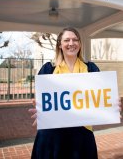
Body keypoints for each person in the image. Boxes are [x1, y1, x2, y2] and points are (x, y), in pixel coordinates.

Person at [29, 27, 100, 159]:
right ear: (60, 45)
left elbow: (100, 98)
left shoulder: (91, 69)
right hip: (53, 135)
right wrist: (39, 108)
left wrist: (111, 104)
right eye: (67, 40)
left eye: (75, 40)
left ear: (80, 43)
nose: (71, 43)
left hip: (82, 133)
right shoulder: (48, 69)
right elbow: (41, 99)